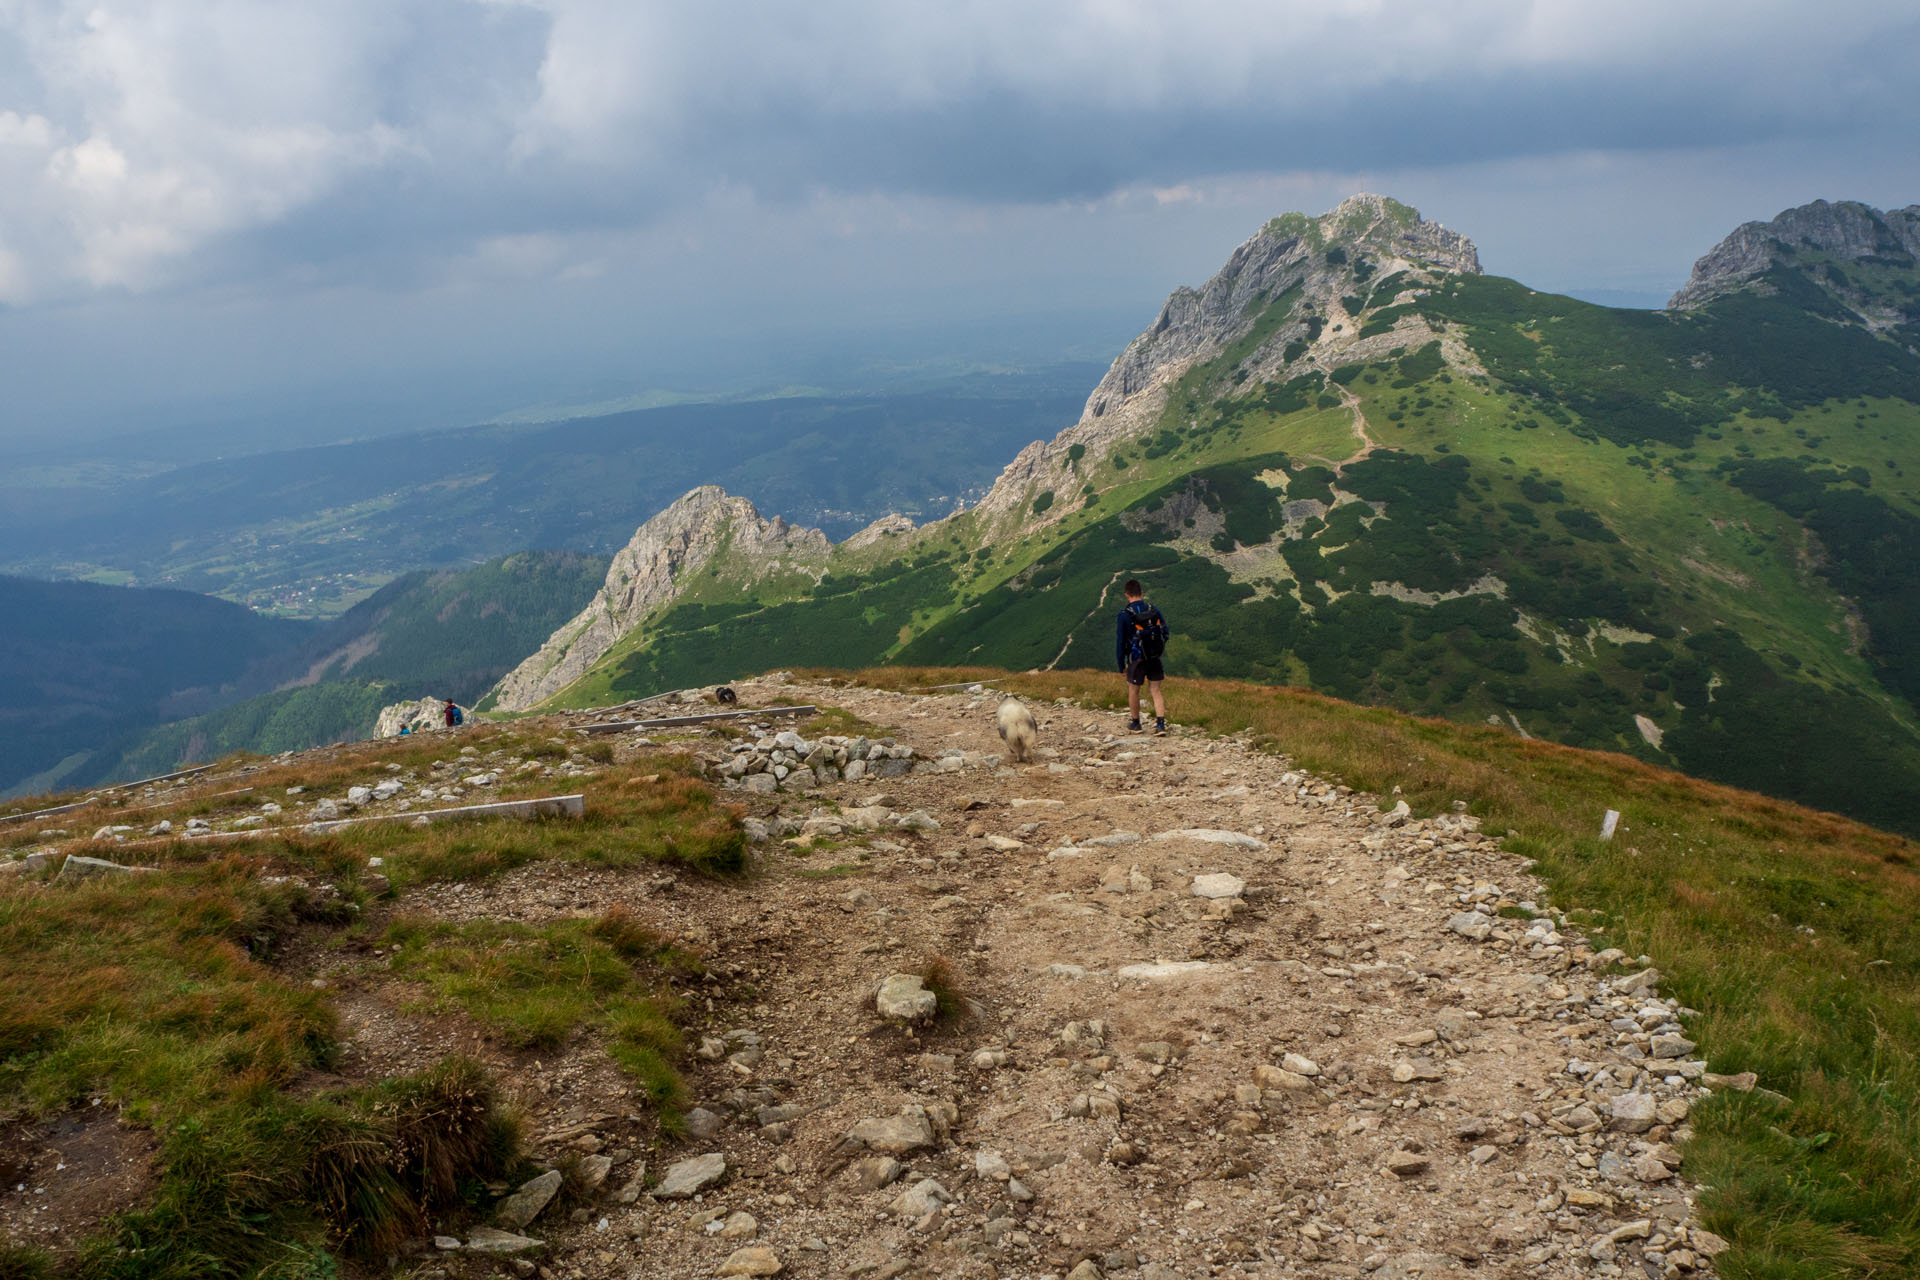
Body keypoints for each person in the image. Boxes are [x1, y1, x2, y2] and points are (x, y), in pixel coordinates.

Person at [1114, 579, 1169, 734]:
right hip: (1154, 656)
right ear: (1142, 593)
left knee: (1133, 690)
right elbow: (1165, 631)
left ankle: (1136, 723)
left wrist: (1121, 664)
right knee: (1156, 690)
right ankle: (1160, 725)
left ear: (1126, 595)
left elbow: (1121, 641)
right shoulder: (1153, 609)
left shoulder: (1124, 615)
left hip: (1136, 658)